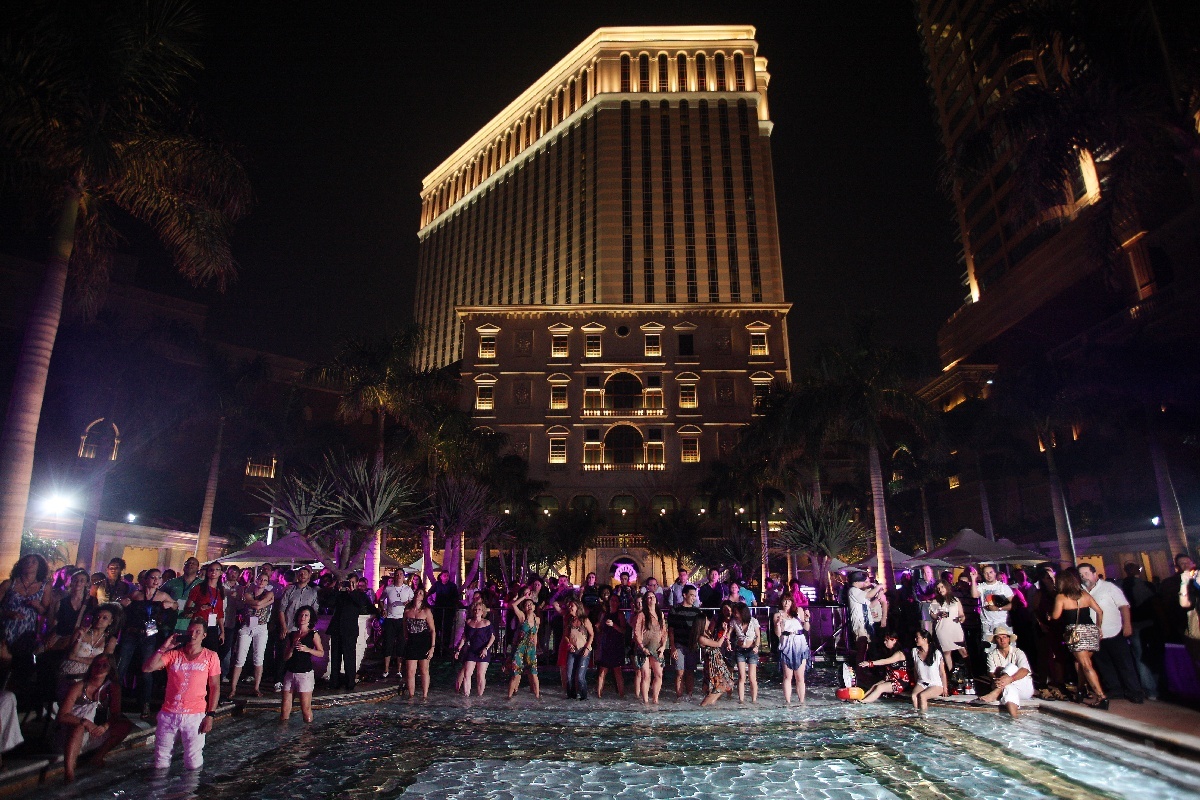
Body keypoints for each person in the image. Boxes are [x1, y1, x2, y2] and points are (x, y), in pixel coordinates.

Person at [142, 620, 221, 770]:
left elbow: (215, 686)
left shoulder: (211, 656)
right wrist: (164, 647)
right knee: (161, 760)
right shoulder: (173, 654)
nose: (193, 635)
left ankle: (191, 785)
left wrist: (210, 715)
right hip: (169, 714)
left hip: (195, 715)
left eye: (197, 632)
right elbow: (147, 668)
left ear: (204, 635)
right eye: (190, 631)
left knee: (193, 760)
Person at [56, 653, 131, 782]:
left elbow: (115, 715)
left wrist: (105, 726)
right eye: (96, 665)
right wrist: (84, 722)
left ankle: (98, 757)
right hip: (69, 734)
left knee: (125, 725)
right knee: (78, 728)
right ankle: (69, 774)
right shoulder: (79, 687)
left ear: (110, 670)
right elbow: (62, 716)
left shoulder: (112, 688)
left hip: (93, 732)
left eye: (104, 665)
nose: (99, 668)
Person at [1078, 563, 1145, 703]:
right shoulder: (1080, 590)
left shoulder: (1109, 587)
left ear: (1094, 573)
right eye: (1081, 574)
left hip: (1114, 630)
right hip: (1094, 634)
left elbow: (1124, 606)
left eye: (1086, 573)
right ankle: (1115, 689)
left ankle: (1134, 691)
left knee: (1124, 663)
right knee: (1104, 663)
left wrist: (1127, 625)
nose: (1084, 577)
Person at [115, 569, 175, 717]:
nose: (156, 580)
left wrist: (170, 605)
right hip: (132, 633)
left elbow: (176, 606)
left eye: (159, 578)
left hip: (150, 635)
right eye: (153, 577)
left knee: (147, 668)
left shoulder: (162, 595)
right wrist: (122, 602)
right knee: (121, 667)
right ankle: (113, 701)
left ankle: (145, 702)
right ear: (146, 579)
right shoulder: (136, 594)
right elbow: (119, 601)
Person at [1051, 569, 1107, 708]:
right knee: (1080, 663)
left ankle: (1101, 697)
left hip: (1076, 634)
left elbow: (1056, 616)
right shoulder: (1084, 594)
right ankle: (1081, 690)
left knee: (1086, 665)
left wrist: (1049, 616)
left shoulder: (1061, 597)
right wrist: (1099, 627)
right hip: (1091, 631)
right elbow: (1099, 611)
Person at [1, 554, 55, 693]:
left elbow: (45, 611)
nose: (29, 564)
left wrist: (37, 606)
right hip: (6, 631)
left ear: (39, 566)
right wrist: (8, 613)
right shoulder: (9, 584)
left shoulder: (44, 586)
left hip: (26, 635)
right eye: (27, 561)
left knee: (20, 671)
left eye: (33, 562)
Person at [227, 570, 275, 698]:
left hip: (261, 627)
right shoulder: (248, 592)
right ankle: (233, 688)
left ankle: (256, 687)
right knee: (240, 658)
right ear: (256, 580)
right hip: (247, 626)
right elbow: (258, 605)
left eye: (265, 580)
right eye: (260, 579)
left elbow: (257, 605)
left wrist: (262, 603)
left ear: (267, 583)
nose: (262, 582)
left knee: (259, 658)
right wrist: (269, 602)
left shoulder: (269, 593)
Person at [58, 604, 121, 702]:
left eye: (104, 618)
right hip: (71, 670)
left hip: (93, 674)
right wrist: (79, 638)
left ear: (110, 621)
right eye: (98, 617)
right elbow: (71, 654)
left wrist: (77, 658)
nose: (100, 620)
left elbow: (103, 661)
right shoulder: (81, 632)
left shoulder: (110, 640)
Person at [274, 565, 318, 691]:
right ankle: (278, 680)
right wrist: (283, 627)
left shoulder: (313, 592)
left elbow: (314, 611)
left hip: (302, 630)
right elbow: (281, 609)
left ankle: (294, 681)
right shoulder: (290, 590)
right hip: (289, 628)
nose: (302, 575)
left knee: (298, 655)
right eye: (300, 573)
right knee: (283, 654)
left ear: (309, 576)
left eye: (305, 573)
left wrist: (310, 629)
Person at [976, 626, 1034, 717]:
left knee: (1011, 667)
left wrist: (1010, 678)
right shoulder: (991, 655)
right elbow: (991, 673)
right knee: (1008, 688)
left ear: (1009, 639)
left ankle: (995, 692)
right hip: (1004, 686)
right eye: (999, 638)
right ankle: (1014, 719)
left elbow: (1025, 670)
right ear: (995, 640)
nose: (1002, 640)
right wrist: (998, 680)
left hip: (1023, 687)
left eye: (1004, 637)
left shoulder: (1018, 652)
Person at [328, 576, 373, 692]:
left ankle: (350, 683)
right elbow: (330, 603)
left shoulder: (360, 595)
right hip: (336, 629)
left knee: (349, 657)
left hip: (349, 630)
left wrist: (352, 592)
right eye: (348, 582)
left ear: (357, 583)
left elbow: (362, 604)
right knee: (335, 657)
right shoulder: (340, 594)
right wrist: (337, 589)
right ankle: (334, 682)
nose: (350, 584)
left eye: (352, 582)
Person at [280, 606, 323, 722]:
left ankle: (308, 730)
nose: (303, 617)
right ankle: (283, 729)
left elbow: (321, 653)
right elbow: (285, 657)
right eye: (301, 615)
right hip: (290, 672)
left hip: (304, 674)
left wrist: (308, 649)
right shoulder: (292, 634)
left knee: (305, 708)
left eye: (306, 615)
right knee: (284, 709)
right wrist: (292, 647)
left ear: (310, 618)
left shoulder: (313, 634)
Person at [667, 584, 703, 699]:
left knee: (690, 671)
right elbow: (671, 630)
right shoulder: (675, 610)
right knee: (679, 672)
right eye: (691, 595)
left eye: (695, 596)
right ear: (684, 595)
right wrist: (672, 647)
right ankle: (679, 697)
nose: (693, 598)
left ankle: (689, 696)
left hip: (692, 645)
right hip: (679, 644)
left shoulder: (697, 611)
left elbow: (701, 629)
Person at [182, 562, 225, 655]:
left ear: (221, 573)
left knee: (211, 654)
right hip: (198, 625)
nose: (214, 572)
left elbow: (220, 613)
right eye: (211, 570)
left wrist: (222, 631)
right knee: (193, 652)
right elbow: (187, 608)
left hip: (212, 626)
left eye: (217, 570)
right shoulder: (199, 588)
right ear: (207, 572)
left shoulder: (220, 590)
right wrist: (198, 608)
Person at [774, 593, 810, 704]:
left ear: (792, 602)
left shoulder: (799, 611)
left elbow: (806, 628)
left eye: (789, 601)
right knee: (787, 676)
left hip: (799, 642)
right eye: (784, 601)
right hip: (786, 643)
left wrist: (807, 619)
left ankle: (801, 701)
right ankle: (788, 702)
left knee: (800, 676)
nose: (786, 603)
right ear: (781, 602)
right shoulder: (777, 615)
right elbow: (778, 634)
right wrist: (777, 624)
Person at [632, 591, 667, 704]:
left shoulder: (660, 614)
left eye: (653, 597)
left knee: (659, 675)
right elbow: (637, 632)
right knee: (646, 675)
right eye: (649, 597)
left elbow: (664, 632)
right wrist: (642, 647)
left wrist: (663, 646)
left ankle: (655, 699)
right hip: (644, 648)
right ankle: (646, 702)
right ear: (645, 600)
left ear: (656, 599)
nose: (651, 599)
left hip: (657, 647)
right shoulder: (642, 615)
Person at [402, 586, 436, 699]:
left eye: (421, 593)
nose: (418, 595)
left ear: (423, 597)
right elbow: (404, 627)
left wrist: (432, 647)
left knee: (424, 670)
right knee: (410, 671)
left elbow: (432, 630)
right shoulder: (407, 611)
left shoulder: (426, 611)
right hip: (412, 642)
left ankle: (424, 695)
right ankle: (411, 696)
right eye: (417, 592)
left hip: (423, 642)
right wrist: (406, 639)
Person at [454, 600, 494, 697]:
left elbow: (492, 637)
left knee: (480, 675)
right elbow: (464, 637)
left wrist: (486, 648)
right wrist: (458, 649)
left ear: (482, 611)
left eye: (479, 609)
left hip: (483, 650)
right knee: (467, 674)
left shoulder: (487, 623)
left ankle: (480, 696)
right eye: (475, 609)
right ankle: (466, 695)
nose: (477, 611)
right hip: (472, 650)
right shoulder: (469, 622)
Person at [380, 568, 413, 680]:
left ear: (404, 577)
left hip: (402, 620)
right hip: (390, 619)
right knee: (388, 644)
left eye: (401, 574)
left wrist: (408, 603)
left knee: (401, 644)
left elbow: (413, 602)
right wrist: (383, 609)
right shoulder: (388, 588)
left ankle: (399, 670)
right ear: (394, 576)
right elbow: (381, 600)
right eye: (397, 574)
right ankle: (386, 669)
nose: (399, 576)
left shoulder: (408, 589)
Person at [858, 631, 909, 703]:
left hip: (900, 682)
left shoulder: (899, 654)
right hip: (890, 679)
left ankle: (863, 702)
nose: (884, 642)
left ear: (894, 640)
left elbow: (885, 661)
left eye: (887, 640)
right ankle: (861, 699)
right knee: (874, 686)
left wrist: (870, 663)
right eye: (884, 640)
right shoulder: (890, 652)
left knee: (880, 687)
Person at [506, 594, 541, 699]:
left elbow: (535, 635)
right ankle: (509, 697)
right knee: (515, 674)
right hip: (520, 649)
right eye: (526, 605)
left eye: (531, 604)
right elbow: (513, 605)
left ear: (534, 607)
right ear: (524, 608)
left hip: (531, 649)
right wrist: (523, 597)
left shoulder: (537, 620)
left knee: (534, 673)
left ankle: (537, 697)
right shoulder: (522, 617)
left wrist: (535, 649)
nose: (529, 606)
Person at [971, 564, 1014, 645]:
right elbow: (974, 595)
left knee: (1006, 646)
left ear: (995, 573)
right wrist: (973, 579)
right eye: (986, 573)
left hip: (1002, 622)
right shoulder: (981, 587)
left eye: (990, 572)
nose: (988, 575)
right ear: (983, 575)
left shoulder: (1003, 587)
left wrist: (998, 608)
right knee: (989, 648)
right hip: (987, 623)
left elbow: (1013, 605)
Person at [929, 579, 967, 670]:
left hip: (955, 629)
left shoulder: (955, 600)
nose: (940, 589)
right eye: (938, 588)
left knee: (963, 651)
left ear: (946, 587)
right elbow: (933, 615)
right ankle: (951, 672)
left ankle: (968, 671)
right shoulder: (935, 601)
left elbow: (961, 614)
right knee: (947, 652)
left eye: (942, 587)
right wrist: (938, 615)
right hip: (943, 629)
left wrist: (961, 618)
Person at [698, 611, 734, 706]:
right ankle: (703, 706)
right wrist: (725, 633)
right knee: (720, 686)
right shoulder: (701, 638)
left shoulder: (708, 633)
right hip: (713, 664)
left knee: (724, 684)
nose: (709, 621)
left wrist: (724, 630)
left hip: (717, 661)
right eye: (707, 620)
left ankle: (710, 705)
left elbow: (717, 641)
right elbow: (718, 644)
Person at [593, 594, 626, 699]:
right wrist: (597, 627)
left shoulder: (620, 615)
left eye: (616, 600)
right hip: (606, 644)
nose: (613, 602)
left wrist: (614, 625)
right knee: (602, 672)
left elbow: (623, 630)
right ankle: (599, 696)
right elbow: (599, 628)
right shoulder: (604, 614)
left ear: (618, 603)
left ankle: (622, 696)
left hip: (616, 645)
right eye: (612, 600)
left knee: (617, 671)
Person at [562, 599, 594, 700]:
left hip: (583, 650)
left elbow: (592, 634)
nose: (570, 608)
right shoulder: (570, 620)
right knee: (569, 675)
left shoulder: (585, 620)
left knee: (580, 677)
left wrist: (587, 648)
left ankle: (584, 697)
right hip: (572, 651)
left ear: (578, 607)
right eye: (569, 606)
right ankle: (571, 696)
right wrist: (569, 644)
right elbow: (565, 635)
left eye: (572, 606)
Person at [845, 571, 874, 682]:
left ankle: (862, 671)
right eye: (863, 581)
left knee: (865, 648)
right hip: (859, 624)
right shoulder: (853, 590)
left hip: (865, 624)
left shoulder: (859, 592)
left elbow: (869, 603)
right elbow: (868, 596)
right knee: (861, 648)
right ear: (857, 582)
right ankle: (859, 673)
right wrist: (878, 587)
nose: (864, 583)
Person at [161, 557, 202, 634]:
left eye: (193, 563)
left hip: (189, 626)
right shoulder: (172, 582)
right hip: (169, 624)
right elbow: (159, 595)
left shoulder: (202, 584)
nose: (190, 564)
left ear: (197, 568)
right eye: (188, 563)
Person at [910, 629, 947, 712]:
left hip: (936, 684)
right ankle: (916, 715)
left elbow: (942, 672)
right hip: (922, 682)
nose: (915, 639)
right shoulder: (915, 651)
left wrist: (945, 688)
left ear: (925, 639)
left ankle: (924, 716)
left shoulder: (936, 653)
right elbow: (915, 669)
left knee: (922, 696)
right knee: (914, 695)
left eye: (917, 637)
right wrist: (916, 682)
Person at [730, 602, 760, 704]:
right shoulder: (734, 622)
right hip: (740, 650)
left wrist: (756, 646)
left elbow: (758, 636)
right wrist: (728, 642)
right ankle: (741, 700)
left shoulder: (753, 621)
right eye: (734, 612)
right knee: (742, 676)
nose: (735, 614)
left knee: (752, 677)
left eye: (737, 612)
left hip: (752, 650)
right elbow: (728, 633)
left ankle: (754, 700)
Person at [429, 571, 461, 657]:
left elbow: (456, 598)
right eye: (444, 576)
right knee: (436, 629)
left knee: (447, 631)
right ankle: (436, 649)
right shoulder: (437, 584)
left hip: (449, 610)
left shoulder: (452, 586)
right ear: (441, 577)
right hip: (438, 610)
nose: (446, 577)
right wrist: (431, 603)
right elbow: (429, 593)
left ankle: (446, 650)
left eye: (447, 576)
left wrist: (454, 608)